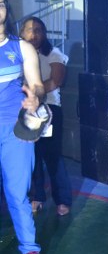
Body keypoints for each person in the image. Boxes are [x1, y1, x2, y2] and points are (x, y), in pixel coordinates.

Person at [0, 0, 45, 254]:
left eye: (0, 4)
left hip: (14, 130)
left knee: (17, 194)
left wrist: (35, 98)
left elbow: (37, 84)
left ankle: (30, 251)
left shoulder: (22, 48)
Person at [20, 17, 72, 216]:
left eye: (38, 30)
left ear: (44, 33)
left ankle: (62, 199)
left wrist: (36, 95)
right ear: (22, 33)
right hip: (25, 110)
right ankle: (38, 196)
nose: (33, 34)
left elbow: (56, 81)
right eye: (29, 30)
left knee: (52, 156)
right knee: (32, 156)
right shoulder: (18, 54)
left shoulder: (53, 53)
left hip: (48, 109)